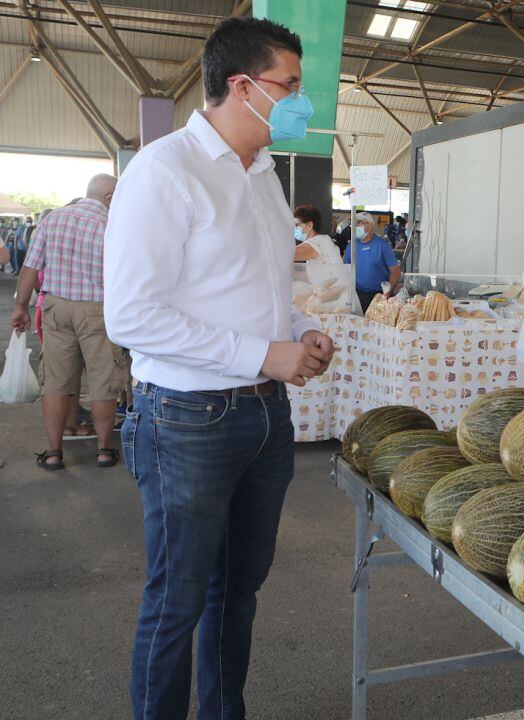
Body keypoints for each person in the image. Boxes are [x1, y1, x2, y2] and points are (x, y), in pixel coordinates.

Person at [103, 17, 334, 720]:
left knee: (237, 592)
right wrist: (266, 353)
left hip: (265, 414)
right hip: (187, 419)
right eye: (289, 86)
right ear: (242, 86)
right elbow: (132, 316)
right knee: (176, 601)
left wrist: (301, 328)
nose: (301, 101)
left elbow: (259, 287)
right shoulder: (164, 171)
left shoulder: (263, 174)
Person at [10, 175, 121, 468]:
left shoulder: (53, 218)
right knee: (102, 381)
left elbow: (30, 266)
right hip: (98, 309)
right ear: (109, 197)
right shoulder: (111, 225)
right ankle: (104, 450)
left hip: (56, 308)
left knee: (56, 382)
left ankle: (54, 452)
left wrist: (21, 306)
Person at [342, 210, 400, 311]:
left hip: (379, 294)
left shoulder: (382, 245)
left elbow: (395, 271)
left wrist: (386, 294)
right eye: (355, 223)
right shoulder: (351, 246)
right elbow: (345, 270)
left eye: (360, 223)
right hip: (357, 294)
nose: (356, 226)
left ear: (370, 226)